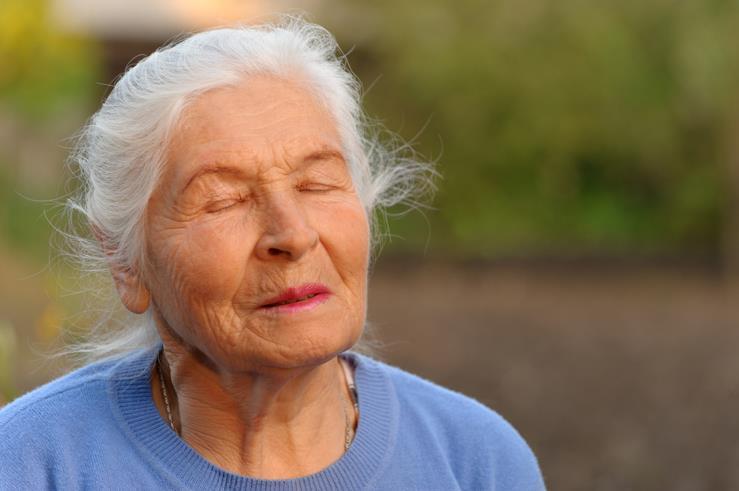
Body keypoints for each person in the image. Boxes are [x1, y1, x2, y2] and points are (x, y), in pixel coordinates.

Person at [0, 18, 546, 490]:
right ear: (126, 261)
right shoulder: (32, 465)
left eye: (317, 184)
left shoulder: (477, 463)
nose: (293, 233)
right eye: (224, 199)